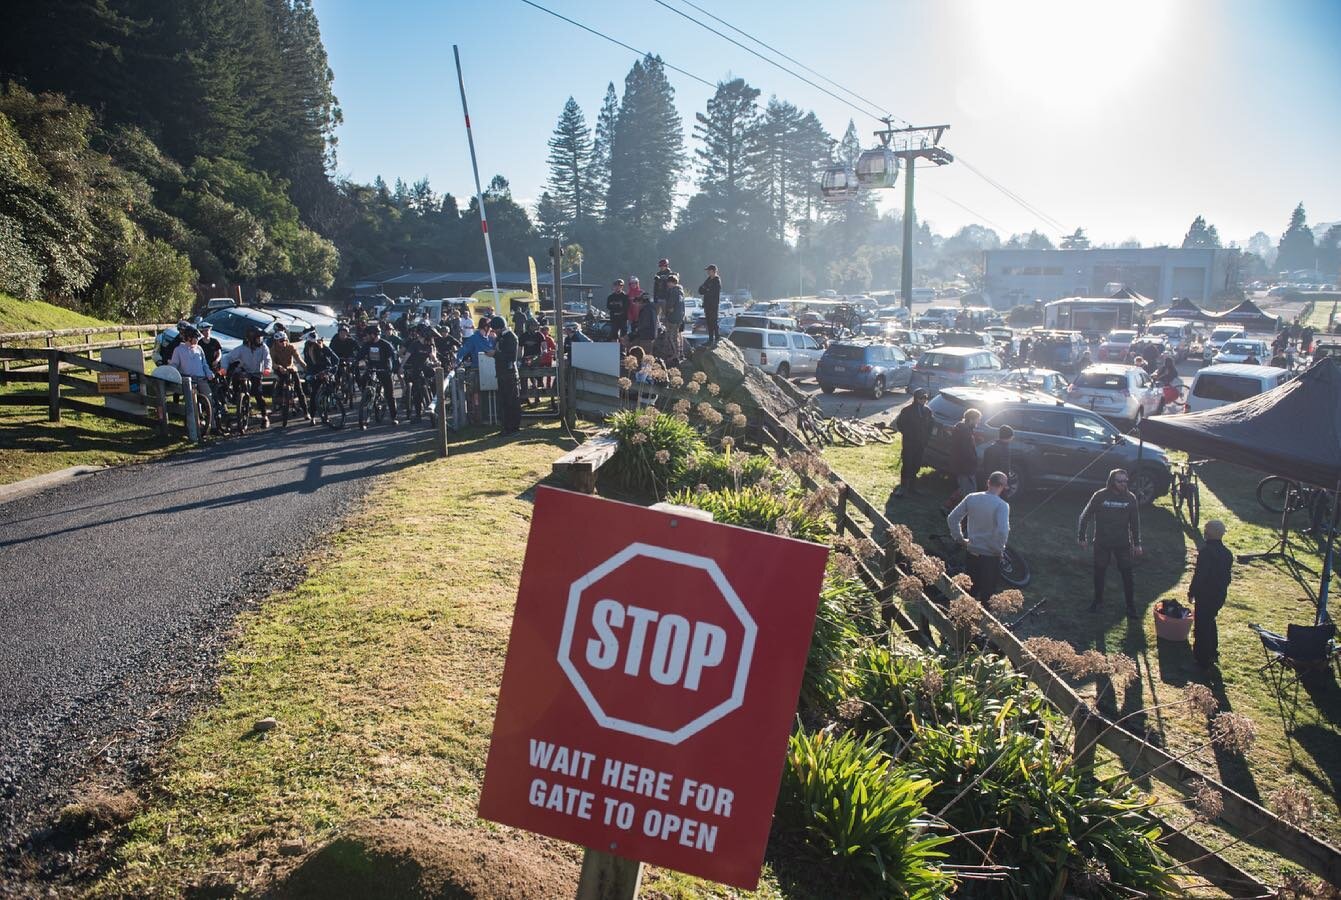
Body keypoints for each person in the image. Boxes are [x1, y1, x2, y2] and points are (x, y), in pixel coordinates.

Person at [1078, 468, 1143, 618]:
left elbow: (1135, 522)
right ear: (1112, 481)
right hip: (1102, 542)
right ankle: (1097, 602)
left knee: (1127, 575)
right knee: (1099, 573)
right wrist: (1081, 537)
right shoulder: (1100, 496)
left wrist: (1137, 543)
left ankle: (1130, 607)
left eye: (1125, 481)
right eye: (1120, 481)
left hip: (1122, 543)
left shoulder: (1130, 498)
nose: (1123, 484)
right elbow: (1085, 516)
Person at [946, 471, 1012, 604]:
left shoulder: (972, 498)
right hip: (990, 556)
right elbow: (1002, 531)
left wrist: (959, 539)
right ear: (1003, 487)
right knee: (987, 595)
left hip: (972, 551)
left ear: (988, 482)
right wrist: (999, 550)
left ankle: (962, 619)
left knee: (969, 591)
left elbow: (952, 518)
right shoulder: (1002, 506)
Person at [1189, 519, 1233, 669]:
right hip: (1219, 595)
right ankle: (1213, 652)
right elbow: (1227, 577)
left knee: (1201, 626)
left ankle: (1201, 659)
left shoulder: (1206, 552)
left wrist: (1192, 591)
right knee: (1210, 621)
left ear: (1209, 534)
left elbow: (1200, 575)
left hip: (1205, 595)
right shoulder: (1227, 554)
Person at [222, 327, 273, 427]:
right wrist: (224, 368)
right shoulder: (242, 348)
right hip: (245, 371)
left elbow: (267, 359)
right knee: (236, 377)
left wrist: (267, 368)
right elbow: (227, 357)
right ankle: (238, 398)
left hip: (256, 373)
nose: (260, 340)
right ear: (252, 338)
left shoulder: (263, 347)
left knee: (258, 393)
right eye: (258, 338)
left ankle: (264, 417)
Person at [355, 324, 400, 428]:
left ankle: (394, 417)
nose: (366, 337)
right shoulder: (367, 345)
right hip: (372, 369)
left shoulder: (385, 344)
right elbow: (360, 355)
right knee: (362, 381)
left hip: (384, 370)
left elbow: (394, 357)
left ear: (374, 335)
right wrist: (356, 361)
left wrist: (395, 369)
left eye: (368, 335)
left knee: (390, 395)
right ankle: (367, 398)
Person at [893, 388, 932, 498]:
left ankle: (913, 486)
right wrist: (908, 434)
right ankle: (903, 487)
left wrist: (926, 438)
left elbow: (930, 426)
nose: (924, 400)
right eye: (921, 398)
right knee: (907, 463)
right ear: (916, 398)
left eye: (925, 398)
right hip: (909, 442)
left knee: (916, 463)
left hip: (921, 443)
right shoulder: (907, 410)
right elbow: (900, 424)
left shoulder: (927, 411)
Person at [486, 315, 521, 434]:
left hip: (509, 374)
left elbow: (511, 357)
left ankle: (513, 427)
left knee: (511, 402)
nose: (494, 332)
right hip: (502, 373)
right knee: (504, 402)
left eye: (495, 329)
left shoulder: (511, 337)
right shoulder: (500, 337)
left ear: (500, 328)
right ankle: (506, 426)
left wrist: (495, 354)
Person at [944, 407, 983, 512]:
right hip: (965, 466)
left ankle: (947, 506)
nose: (979, 422)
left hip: (961, 465)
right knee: (970, 491)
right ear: (971, 419)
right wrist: (974, 461)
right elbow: (966, 451)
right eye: (978, 419)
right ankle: (961, 512)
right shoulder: (965, 431)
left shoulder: (962, 428)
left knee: (963, 488)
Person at [269, 329, 311, 423]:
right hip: (280, 369)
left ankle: (306, 412)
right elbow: (271, 362)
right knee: (279, 386)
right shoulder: (273, 349)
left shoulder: (291, 347)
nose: (283, 342)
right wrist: (278, 367)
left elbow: (299, 359)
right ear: (276, 341)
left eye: (285, 340)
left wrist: (307, 368)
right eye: (281, 341)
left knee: (299, 390)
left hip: (291, 368)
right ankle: (276, 404)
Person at [980, 425, 1016, 499]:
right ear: (1010, 437)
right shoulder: (1005, 449)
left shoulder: (989, 448)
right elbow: (1005, 467)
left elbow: (984, 465)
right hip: (999, 481)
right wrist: (1006, 483)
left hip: (989, 479)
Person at [662, 275, 686, 360]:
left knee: (672, 337)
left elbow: (670, 304)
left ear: (672, 282)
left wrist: (668, 309)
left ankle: (675, 354)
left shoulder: (674, 291)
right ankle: (677, 353)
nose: (668, 284)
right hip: (679, 317)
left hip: (673, 318)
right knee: (675, 336)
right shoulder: (681, 292)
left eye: (669, 282)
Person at [698, 264, 722, 344]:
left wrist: (707, 289)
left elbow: (713, 292)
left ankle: (717, 338)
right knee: (708, 322)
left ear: (713, 271)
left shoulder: (717, 280)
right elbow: (700, 290)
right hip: (707, 304)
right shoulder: (708, 280)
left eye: (709, 270)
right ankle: (710, 339)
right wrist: (706, 289)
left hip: (713, 305)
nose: (708, 272)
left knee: (713, 321)